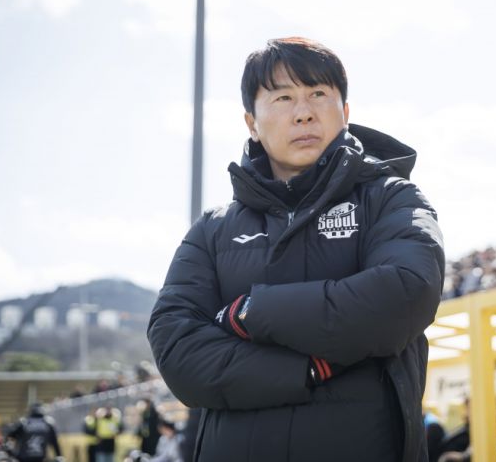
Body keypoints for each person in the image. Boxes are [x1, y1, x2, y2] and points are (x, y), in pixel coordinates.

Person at [147, 37, 445, 462]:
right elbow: (176, 350)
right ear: (252, 123)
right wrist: (306, 368)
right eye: (283, 97)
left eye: (318, 94)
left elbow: (406, 293)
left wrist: (250, 313)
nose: (303, 111)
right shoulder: (212, 229)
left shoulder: (391, 197)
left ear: (345, 113)